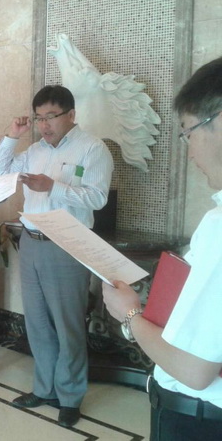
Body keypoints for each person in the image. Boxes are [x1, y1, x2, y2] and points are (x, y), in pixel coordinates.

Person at [103, 58, 222, 440]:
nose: (190, 152)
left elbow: (195, 371)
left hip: (198, 420)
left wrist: (130, 314)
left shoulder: (220, 227)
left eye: (189, 132)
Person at [0, 85, 114, 427]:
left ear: (71, 114)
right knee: (38, 322)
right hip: (31, 241)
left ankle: (70, 397)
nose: (44, 125)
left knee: (67, 323)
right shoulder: (33, 150)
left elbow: (97, 198)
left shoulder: (92, 148)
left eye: (51, 117)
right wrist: (11, 137)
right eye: (38, 118)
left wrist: (53, 188)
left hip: (68, 244)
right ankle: (44, 389)